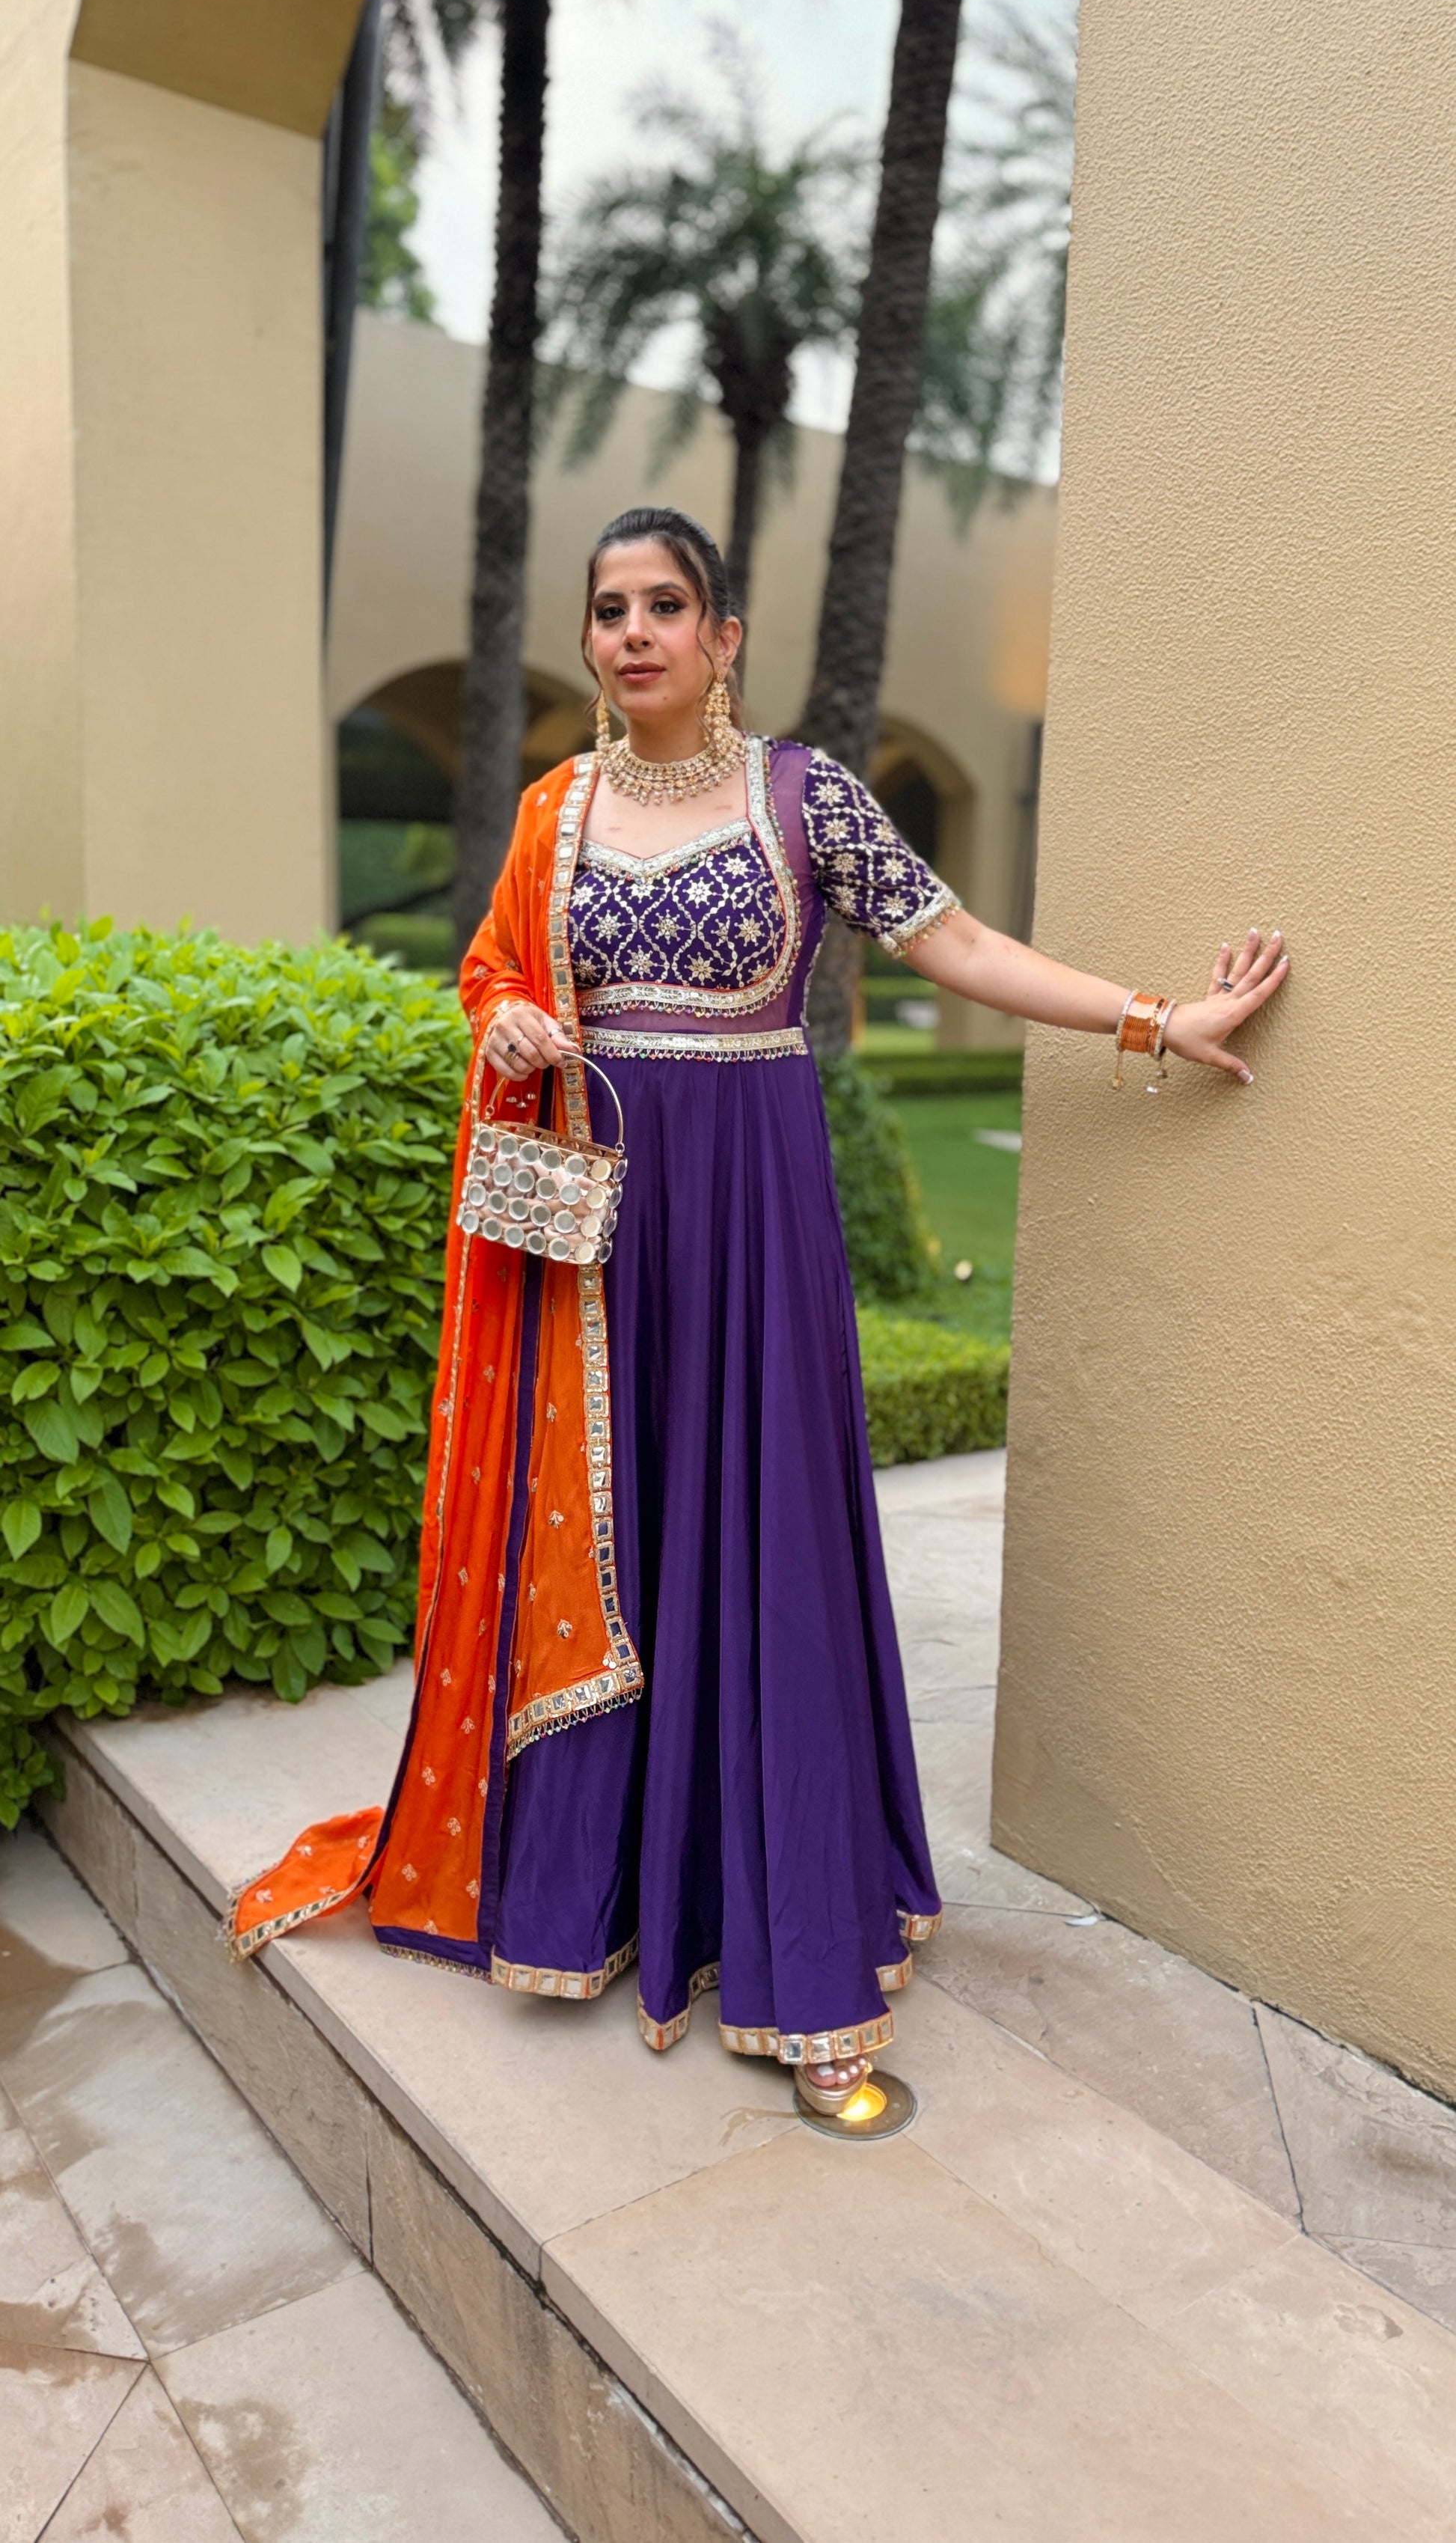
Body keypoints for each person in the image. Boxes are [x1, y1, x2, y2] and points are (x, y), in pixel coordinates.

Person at [230, 504, 1288, 2122]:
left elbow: (957, 939)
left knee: (766, 1540)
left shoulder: (805, 798)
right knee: (613, 1535)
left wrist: (1154, 1017)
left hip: (754, 1221)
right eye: (609, 609)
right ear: (590, 640)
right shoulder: (553, 809)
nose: (634, 633)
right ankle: (590, 1896)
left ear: (722, 636)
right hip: (599, 1239)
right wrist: (506, 1021)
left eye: (666, 605)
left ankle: (795, 1945)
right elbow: (492, 972)